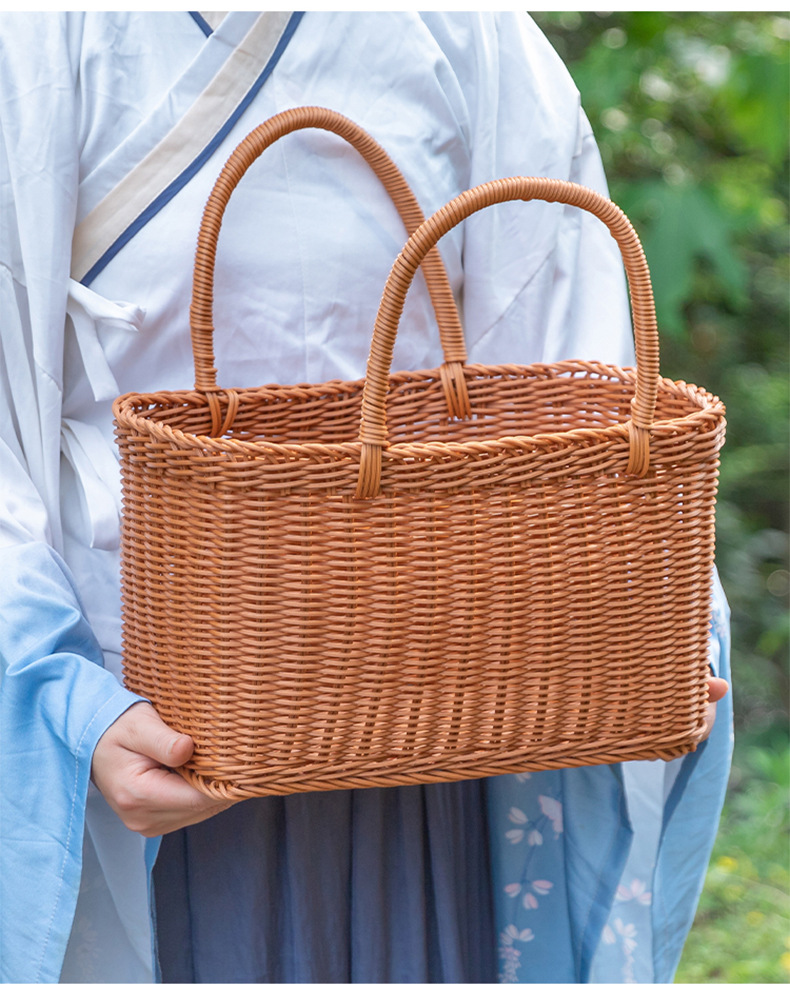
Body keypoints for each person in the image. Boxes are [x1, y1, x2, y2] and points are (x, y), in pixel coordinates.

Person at [0, 11, 732, 984]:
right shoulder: (40, 38)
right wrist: (62, 698)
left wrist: (628, 620)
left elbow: (567, 366)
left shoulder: (469, 33)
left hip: (433, 680)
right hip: (151, 692)